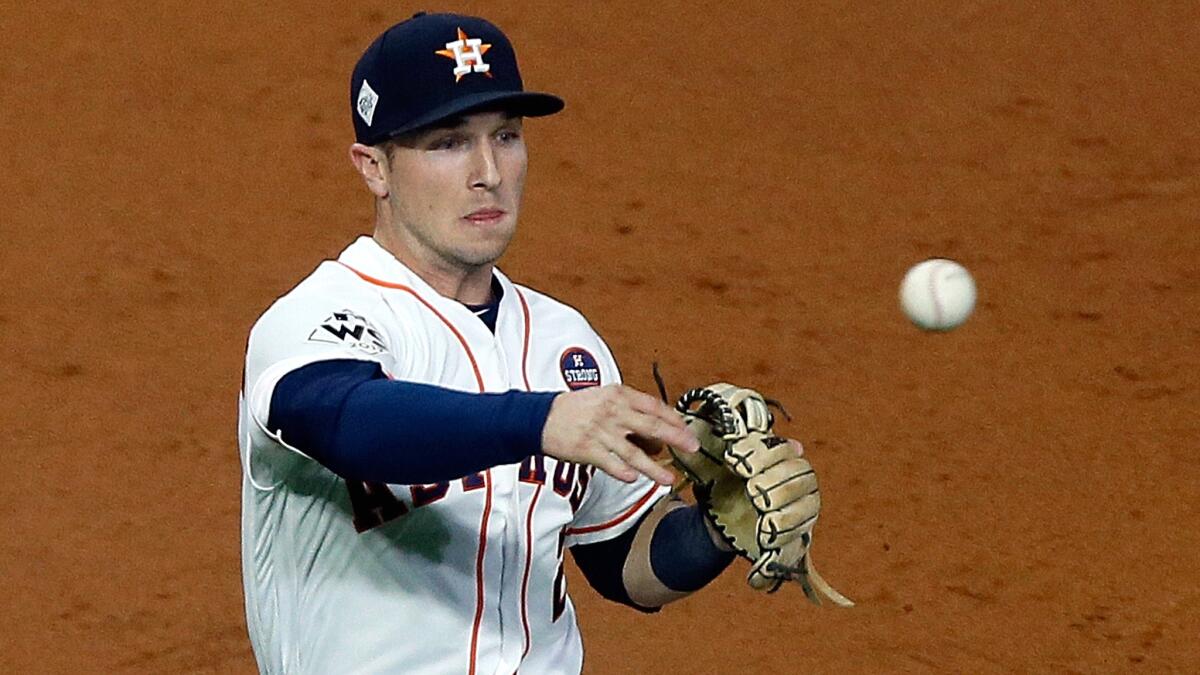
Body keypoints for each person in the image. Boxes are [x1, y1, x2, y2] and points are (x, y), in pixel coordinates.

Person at [239, 12, 760, 674]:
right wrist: (539, 420)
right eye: (449, 143)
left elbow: (621, 557)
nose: (488, 171)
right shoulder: (323, 316)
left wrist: (717, 528)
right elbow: (348, 421)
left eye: (506, 137)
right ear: (374, 167)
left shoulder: (564, 343)